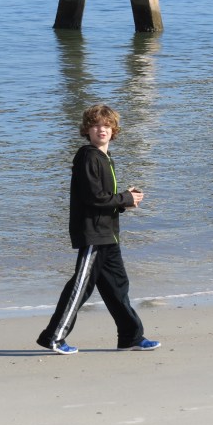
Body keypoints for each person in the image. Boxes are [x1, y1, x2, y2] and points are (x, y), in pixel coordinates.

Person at [36, 104, 161, 355]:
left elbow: (103, 198)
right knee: (80, 286)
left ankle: (130, 337)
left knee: (117, 286)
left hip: (109, 234)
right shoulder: (87, 156)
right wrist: (125, 198)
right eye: (95, 125)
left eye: (106, 125)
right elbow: (93, 198)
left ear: (113, 130)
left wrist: (126, 199)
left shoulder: (105, 157)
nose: (101, 129)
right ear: (87, 130)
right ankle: (54, 336)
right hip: (94, 233)